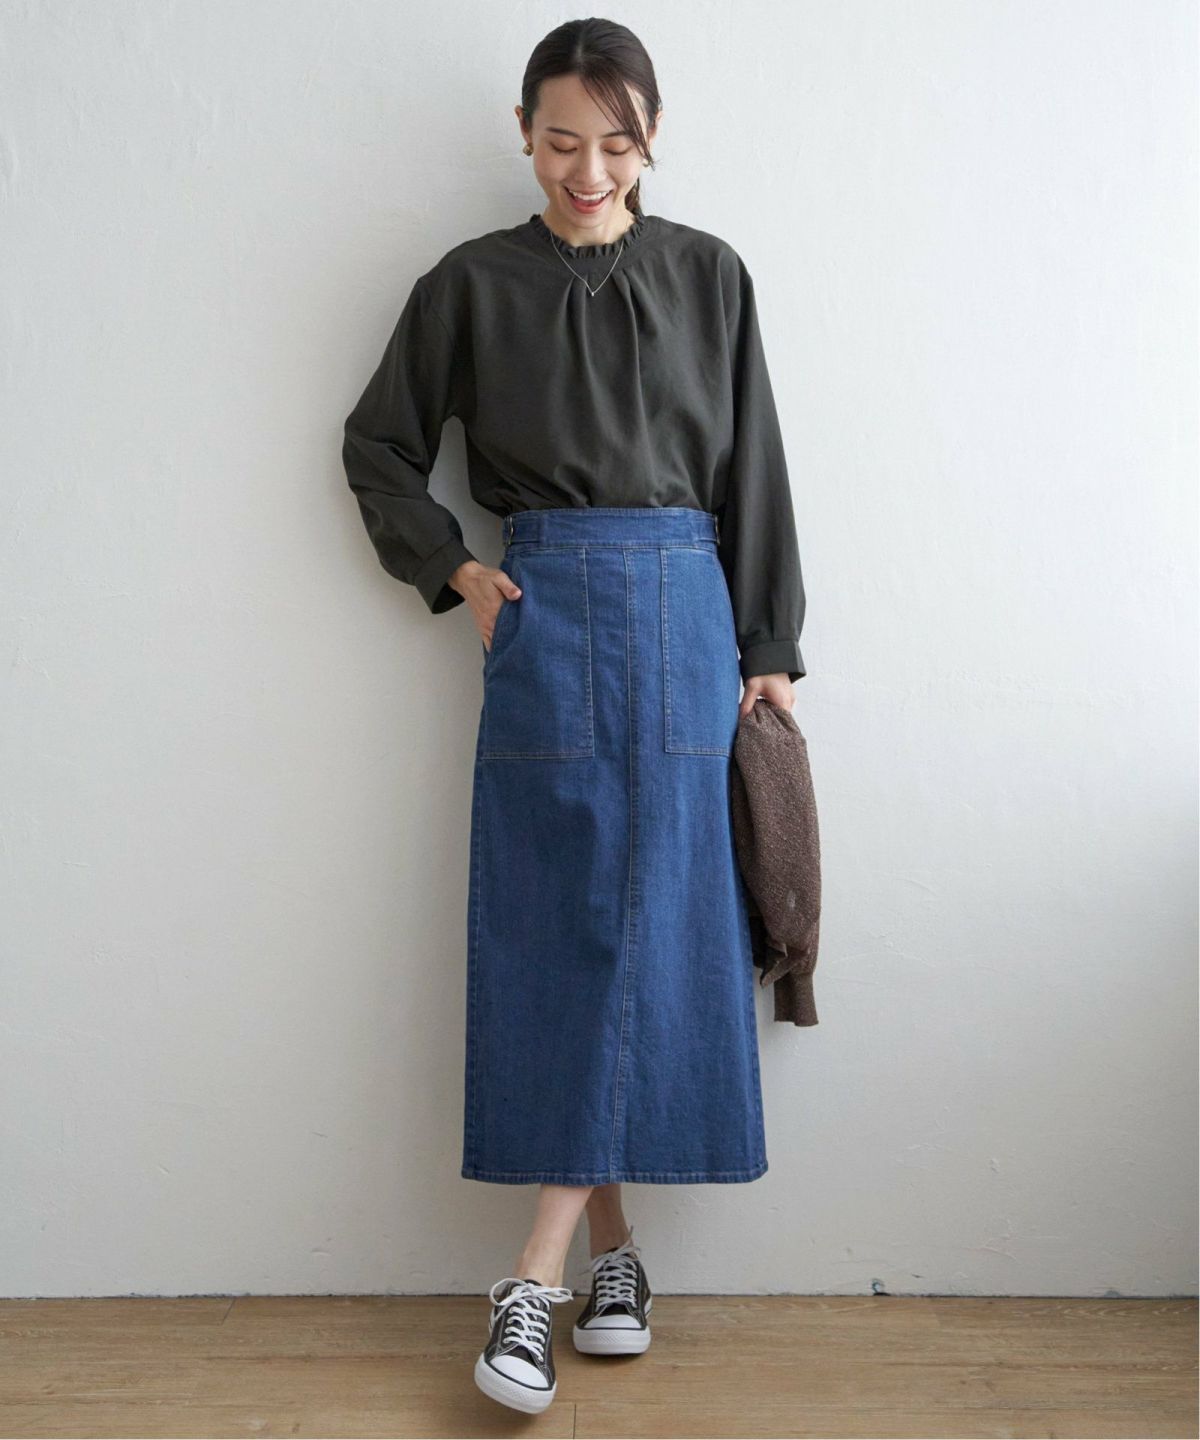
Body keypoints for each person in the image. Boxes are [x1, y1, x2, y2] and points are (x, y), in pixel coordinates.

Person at [341, 17, 807, 1416]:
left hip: (686, 614)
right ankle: (606, 1261)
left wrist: (770, 645)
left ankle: (540, 1276)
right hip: (544, 611)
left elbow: (757, 464)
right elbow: (376, 444)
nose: (587, 171)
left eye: (615, 143)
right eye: (559, 142)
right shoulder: (469, 285)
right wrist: (457, 570)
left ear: (652, 138)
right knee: (562, 923)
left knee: (654, 921)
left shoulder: (709, 275)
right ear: (523, 135)